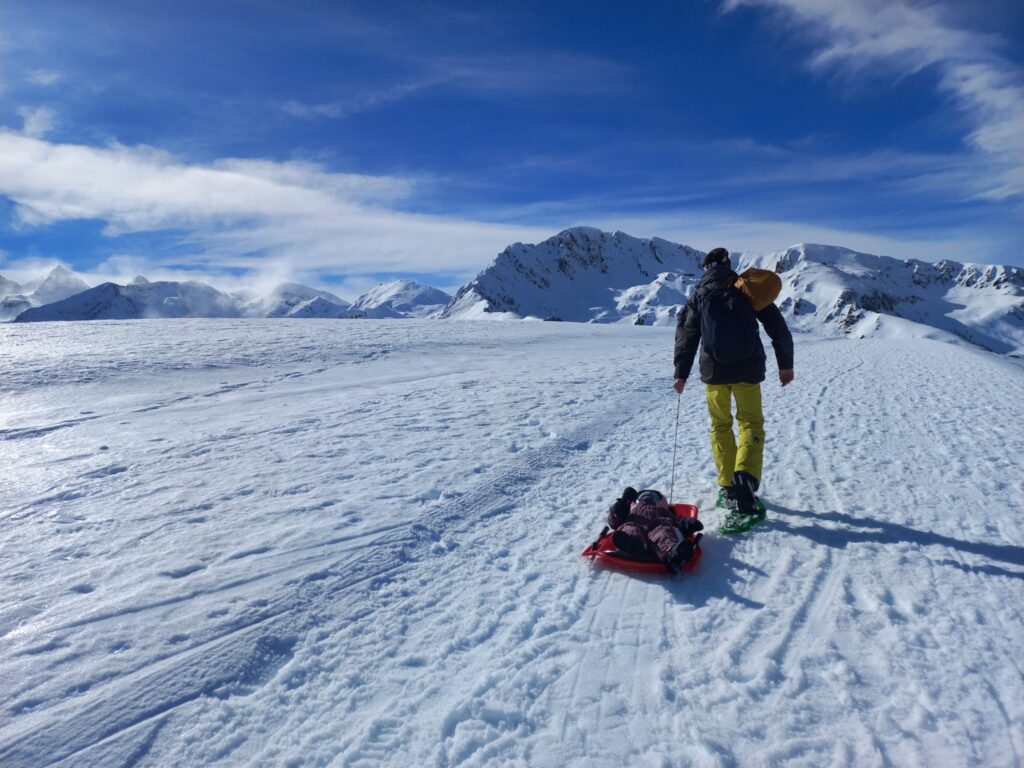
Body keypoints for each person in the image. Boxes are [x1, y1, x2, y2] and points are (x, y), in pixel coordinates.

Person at [673, 247, 794, 529]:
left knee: (720, 426)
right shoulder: (745, 288)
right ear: (728, 264)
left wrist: (681, 373)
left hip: (713, 372)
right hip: (748, 369)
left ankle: (728, 486)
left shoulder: (698, 296)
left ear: (705, 268)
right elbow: (777, 327)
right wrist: (785, 365)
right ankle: (746, 479)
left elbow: (686, 337)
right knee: (750, 422)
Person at [606, 487, 704, 572]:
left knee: (665, 533)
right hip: (635, 524)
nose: (648, 498)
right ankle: (634, 545)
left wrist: (688, 524)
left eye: (653, 497)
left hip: (658, 525)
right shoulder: (629, 511)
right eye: (643, 497)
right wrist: (622, 503)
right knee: (630, 529)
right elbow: (614, 521)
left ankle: (672, 554)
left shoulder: (666, 512)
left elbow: (677, 523)